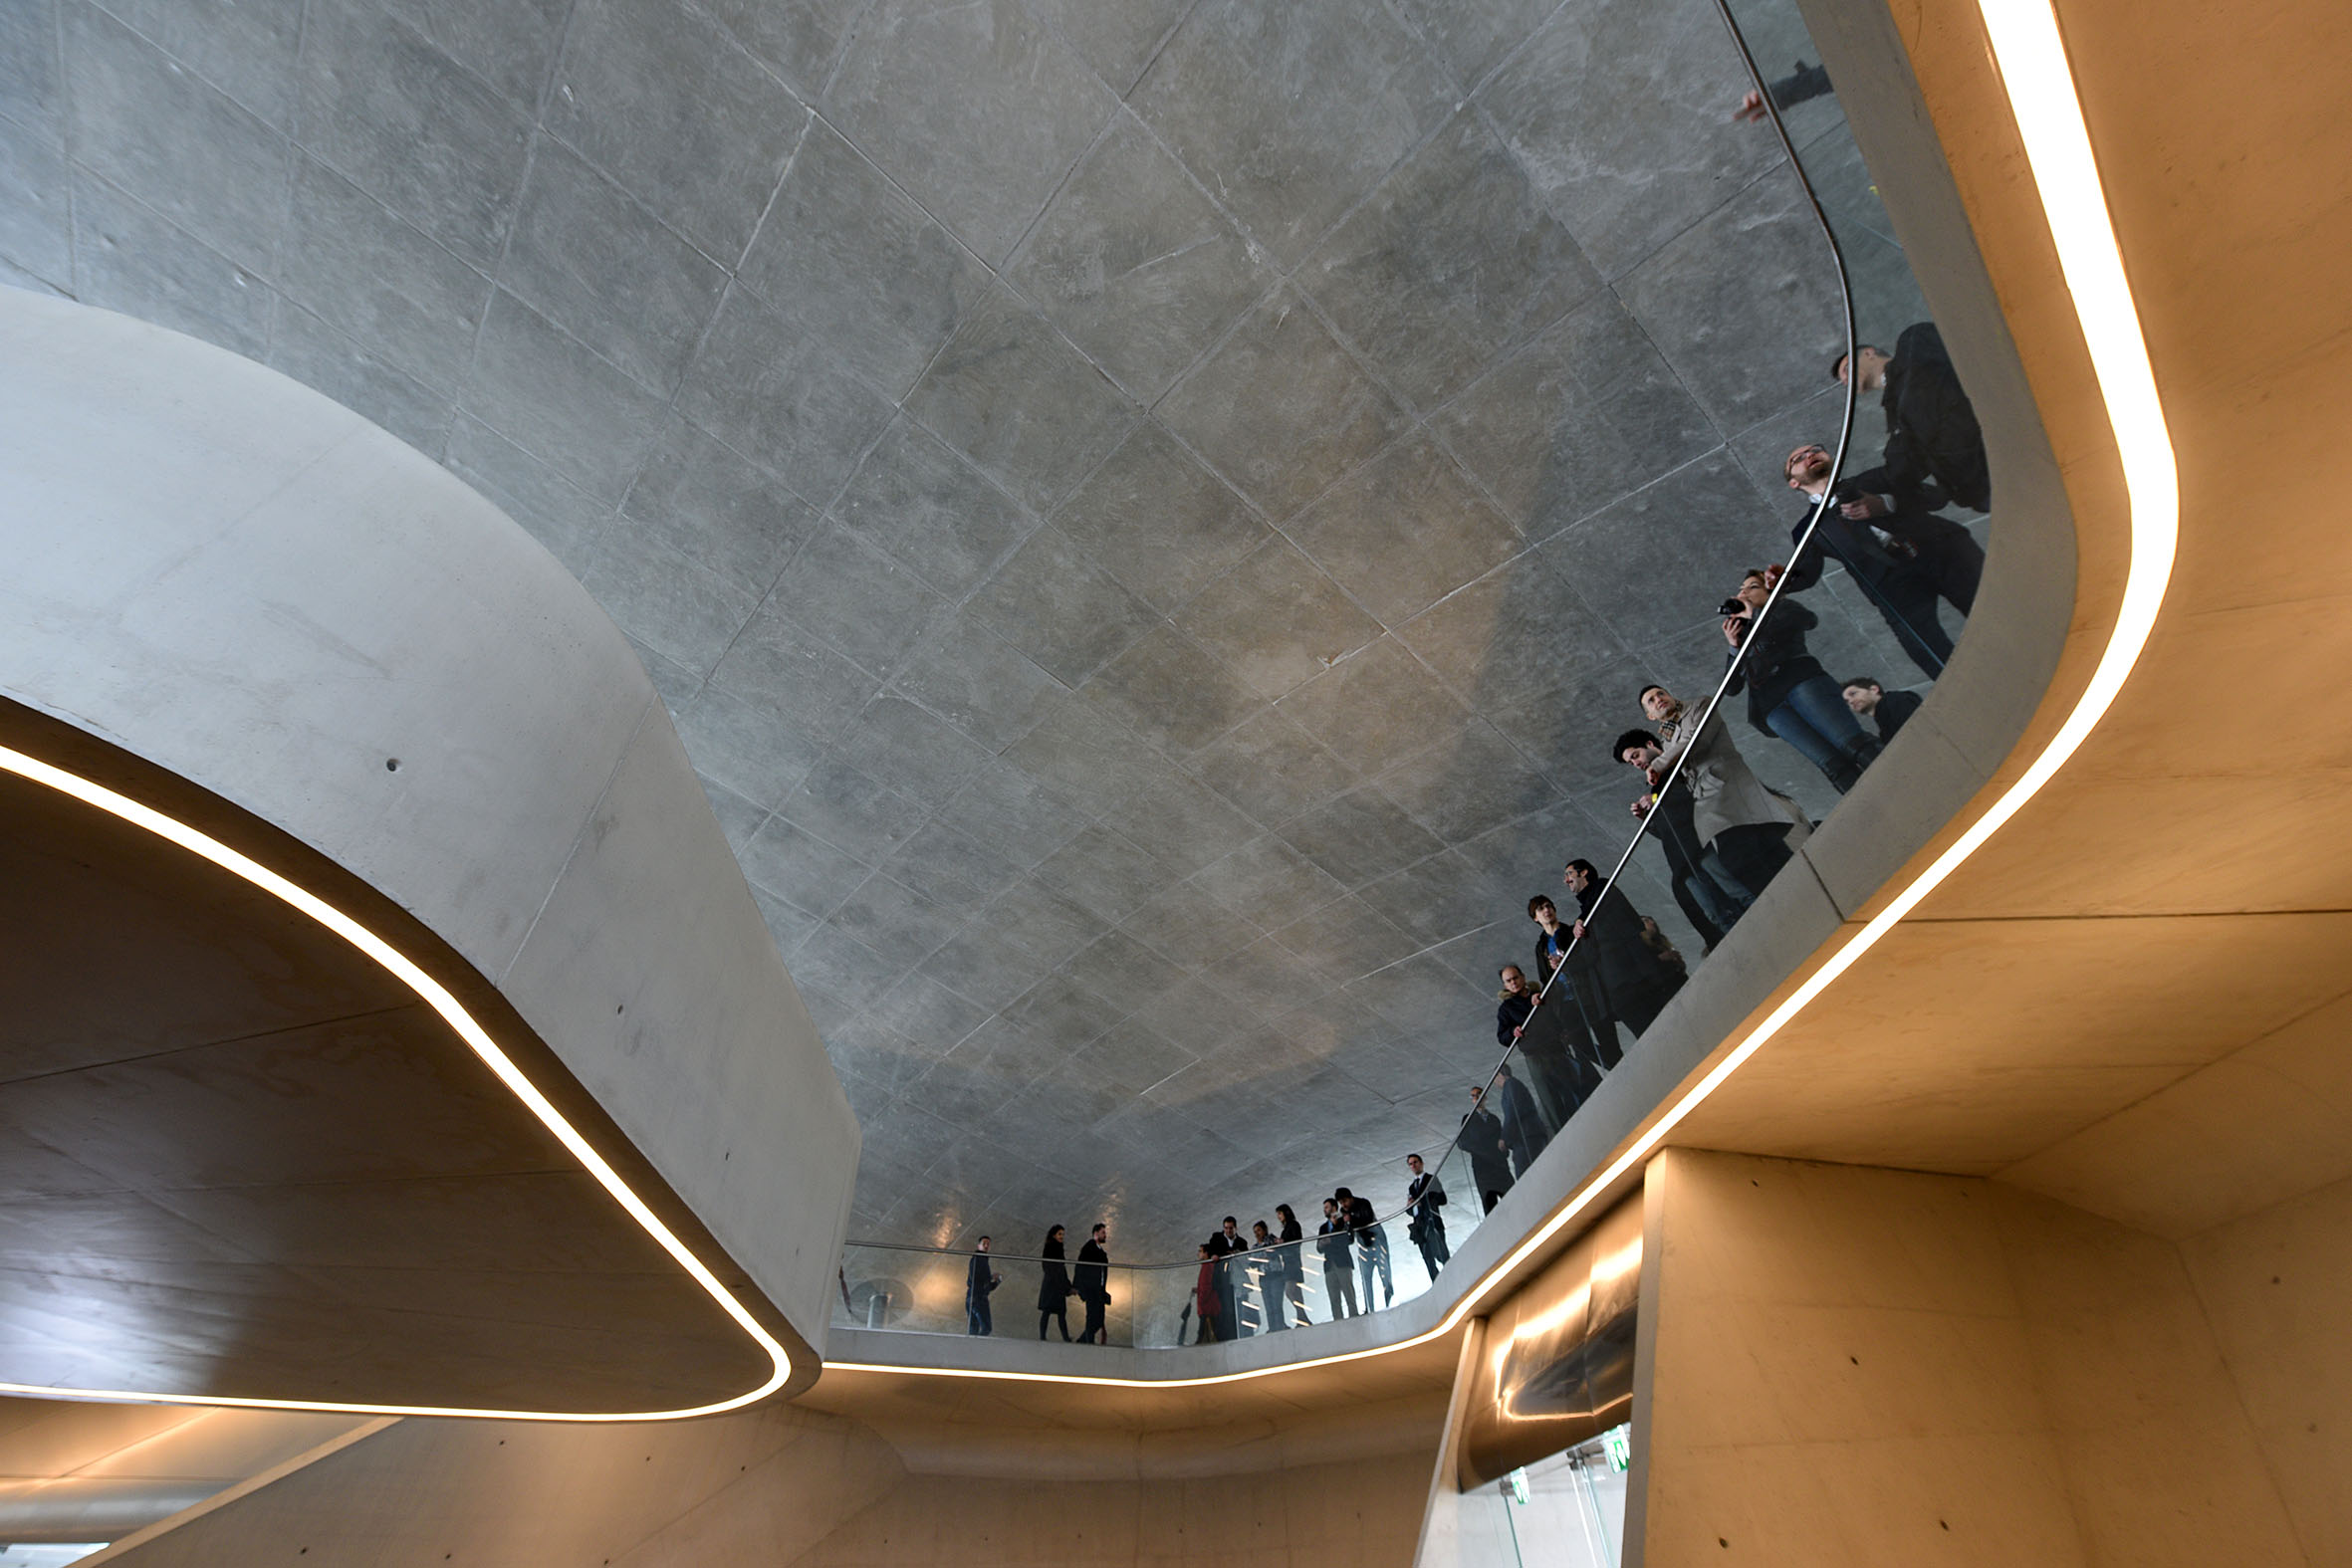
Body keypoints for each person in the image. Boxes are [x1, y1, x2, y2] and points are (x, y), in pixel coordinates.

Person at [1781, 441, 1968, 680]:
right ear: (1794, 482)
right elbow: (1806, 574)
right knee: (1931, 654)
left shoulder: (1876, 478)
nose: (1809, 455)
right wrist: (1777, 579)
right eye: (1798, 458)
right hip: (1891, 588)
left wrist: (1888, 503)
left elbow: (1937, 497)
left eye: (1815, 450)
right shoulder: (1807, 529)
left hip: (1943, 554)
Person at [1630, 687, 1810, 901]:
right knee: (1754, 856)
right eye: (1651, 701)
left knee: (1753, 853)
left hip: (1728, 786)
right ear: (1651, 716)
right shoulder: (1668, 741)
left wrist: (1658, 765)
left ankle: (1802, 896)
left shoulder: (1699, 705)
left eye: (1661, 694)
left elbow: (1697, 740)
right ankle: (1793, 901)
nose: (1658, 699)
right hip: (1709, 801)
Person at [1723, 568, 1882, 792]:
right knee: (1833, 767)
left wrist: (1755, 616)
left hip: (1801, 683)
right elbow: (1731, 688)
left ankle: (1910, 782)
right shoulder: (1743, 633)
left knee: (1852, 744)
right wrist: (1733, 647)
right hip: (1772, 708)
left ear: (1772, 593)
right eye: (1741, 589)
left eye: (1753, 587)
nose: (1743, 593)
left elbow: (1809, 620)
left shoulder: (1783, 609)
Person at [1834, 322, 1992, 517]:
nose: (1845, 381)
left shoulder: (1914, 341)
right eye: (1843, 382)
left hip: (1999, 437)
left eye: (1846, 369)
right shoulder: (1895, 417)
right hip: (1989, 487)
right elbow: (1901, 470)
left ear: (1869, 353)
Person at [1623, 736, 1747, 942]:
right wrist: (1647, 819)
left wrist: (1656, 800)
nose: (1636, 763)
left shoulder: (1679, 768)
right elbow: (1667, 833)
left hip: (1703, 844)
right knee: (1715, 914)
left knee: (1737, 892)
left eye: (1636, 755)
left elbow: (1694, 797)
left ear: (1650, 745)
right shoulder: (1656, 789)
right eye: (1631, 762)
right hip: (1683, 862)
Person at [1563, 857, 1686, 1037]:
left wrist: (1580, 919)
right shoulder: (1588, 916)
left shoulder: (1603, 887)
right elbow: (1589, 957)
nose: (1566, 880)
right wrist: (1563, 964)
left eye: (1569, 874)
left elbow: (1599, 899)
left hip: (1639, 980)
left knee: (1671, 1029)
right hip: (1620, 991)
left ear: (1584, 872)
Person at [1529, 896, 1619, 1069]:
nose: (1546, 911)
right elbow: (1545, 978)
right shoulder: (1541, 947)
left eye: (1549, 906)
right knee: (1580, 1043)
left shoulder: (1571, 932)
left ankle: (1619, 1065)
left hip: (1589, 994)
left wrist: (1565, 964)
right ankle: (1616, 1067)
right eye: (1540, 909)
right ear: (1535, 917)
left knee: (1608, 1039)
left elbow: (1590, 957)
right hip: (1567, 1002)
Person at [1498, 964, 1587, 1123]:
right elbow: (1502, 1037)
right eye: (1508, 980)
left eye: (1515, 978)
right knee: (1550, 1100)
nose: (1513, 982)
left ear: (1523, 977)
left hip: (1556, 1050)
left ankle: (1585, 1119)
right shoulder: (1506, 1009)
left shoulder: (1540, 995)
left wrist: (1541, 1000)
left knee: (1573, 1089)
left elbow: (1556, 1012)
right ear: (1505, 985)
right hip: (1535, 1057)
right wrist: (1513, 1031)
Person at [1336, 1187, 1392, 1311]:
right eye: (1341, 1202)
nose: (1343, 1205)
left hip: (1376, 1239)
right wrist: (1346, 1225)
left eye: (1345, 1201)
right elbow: (1350, 1234)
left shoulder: (1363, 1203)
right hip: (1363, 1244)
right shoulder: (1344, 1211)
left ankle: (1389, 1296)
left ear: (1350, 1198)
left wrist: (1351, 1220)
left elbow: (1366, 1219)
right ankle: (1369, 1307)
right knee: (1365, 1277)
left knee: (1384, 1271)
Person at [1463, 1085, 1514, 1211]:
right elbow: (1463, 1143)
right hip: (1483, 1168)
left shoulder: (1494, 1119)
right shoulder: (1468, 1119)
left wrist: (1503, 1149)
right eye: (1473, 1096)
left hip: (1500, 1166)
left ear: (1485, 1097)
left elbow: (1503, 1141)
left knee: (1512, 1198)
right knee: (1490, 1205)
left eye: (1479, 1094)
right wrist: (1487, 1151)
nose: (1476, 1097)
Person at [1493, 1061, 1548, 1177]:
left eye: (1494, 1078)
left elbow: (1512, 1112)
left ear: (1500, 1075)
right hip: (1529, 1135)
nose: (1494, 1082)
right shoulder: (1514, 1085)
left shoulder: (1510, 1085)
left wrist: (1504, 1138)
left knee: (1525, 1175)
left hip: (1527, 1136)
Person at [1404, 1153, 1449, 1278]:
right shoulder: (1412, 1187)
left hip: (1432, 1220)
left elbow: (1442, 1199)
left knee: (1441, 1253)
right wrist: (1411, 1206)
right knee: (1427, 1257)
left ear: (1421, 1163)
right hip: (1420, 1225)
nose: (1413, 1166)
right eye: (1411, 1164)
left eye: (1415, 1162)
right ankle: (1436, 1281)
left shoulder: (1431, 1179)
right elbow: (1410, 1211)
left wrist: (1422, 1201)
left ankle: (1450, 1276)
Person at [1842, 676, 1922, 743]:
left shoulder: (1896, 699)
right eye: (1847, 702)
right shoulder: (1883, 728)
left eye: (1853, 694)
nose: (1851, 701)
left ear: (1874, 689)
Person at [1317, 1199, 1359, 1319]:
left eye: (1327, 1207)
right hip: (1329, 1265)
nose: (1324, 1210)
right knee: (1334, 1297)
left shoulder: (1344, 1221)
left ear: (1334, 1208)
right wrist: (1328, 1241)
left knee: (1349, 1293)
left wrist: (1329, 1241)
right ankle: (1338, 1321)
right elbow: (1319, 1247)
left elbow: (1348, 1239)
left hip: (1342, 1262)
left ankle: (1354, 1317)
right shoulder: (1323, 1227)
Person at [1276, 1203, 1310, 1327]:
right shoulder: (1287, 1228)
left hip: (1292, 1262)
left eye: (1280, 1213)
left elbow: (1296, 1241)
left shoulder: (1293, 1225)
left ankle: (1302, 1316)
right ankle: (1302, 1317)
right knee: (1296, 1292)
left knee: (1290, 1291)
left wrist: (1283, 1242)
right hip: (1290, 1261)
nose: (1279, 1216)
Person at [1075, 1223, 1110, 1344]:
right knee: (1092, 1317)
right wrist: (1080, 1287)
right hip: (1091, 1289)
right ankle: (1088, 1342)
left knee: (1099, 1319)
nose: (1105, 1235)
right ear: (1096, 1234)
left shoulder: (1100, 1252)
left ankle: (1083, 1340)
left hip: (1098, 1290)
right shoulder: (1089, 1248)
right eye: (1103, 1233)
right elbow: (1080, 1268)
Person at [1212, 1216, 1246, 1338]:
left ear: (1235, 1228)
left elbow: (1245, 1260)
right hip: (1223, 1280)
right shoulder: (1217, 1238)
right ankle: (1227, 1335)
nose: (1228, 1231)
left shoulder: (1242, 1242)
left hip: (1236, 1280)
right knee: (1225, 1308)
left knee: (1238, 1307)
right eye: (1226, 1228)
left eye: (1230, 1228)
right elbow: (1213, 1252)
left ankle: (1237, 1333)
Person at [1037, 1225, 1072, 1342]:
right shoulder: (1051, 1248)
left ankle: (1064, 1338)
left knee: (1059, 1313)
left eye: (1062, 1234)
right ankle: (1045, 1337)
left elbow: (1061, 1269)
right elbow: (1049, 1267)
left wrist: (1067, 1285)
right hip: (1052, 1285)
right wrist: (1064, 1285)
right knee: (1049, 1312)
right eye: (1060, 1234)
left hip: (1055, 1285)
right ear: (1054, 1235)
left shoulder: (1057, 1248)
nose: (1062, 1236)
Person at [1250, 1220, 1285, 1331]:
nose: (1257, 1233)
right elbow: (1252, 1262)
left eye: (1259, 1230)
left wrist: (1262, 1257)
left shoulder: (1272, 1240)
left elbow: (1275, 1251)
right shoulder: (1255, 1246)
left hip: (1275, 1275)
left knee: (1276, 1304)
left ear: (1264, 1230)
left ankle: (1279, 1326)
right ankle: (1272, 1328)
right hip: (1264, 1277)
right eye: (1255, 1231)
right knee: (1268, 1305)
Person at [965, 1235, 1000, 1336]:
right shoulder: (978, 1259)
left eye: (988, 1244)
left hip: (973, 1296)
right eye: (984, 1243)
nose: (986, 1245)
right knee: (986, 1328)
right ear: (978, 1245)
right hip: (978, 1297)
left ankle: (970, 1348)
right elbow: (976, 1278)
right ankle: (975, 1349)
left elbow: (985, 1285)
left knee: (974, 1328)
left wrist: (995, 1282)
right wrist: (991, 1278)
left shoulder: (980, 1260)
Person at [1190, 1243, 1221, 1344]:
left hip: (1207, 1307)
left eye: (1200, 1251)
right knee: (1210, 1331)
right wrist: (1199, 1290)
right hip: (1209, 1306)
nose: (1198, 1254)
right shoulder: (1207, 1266)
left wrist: (1201, 1300)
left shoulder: (1207, 1267)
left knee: (1203, 1333)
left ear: (1206, 1253)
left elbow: (1207, 1286)